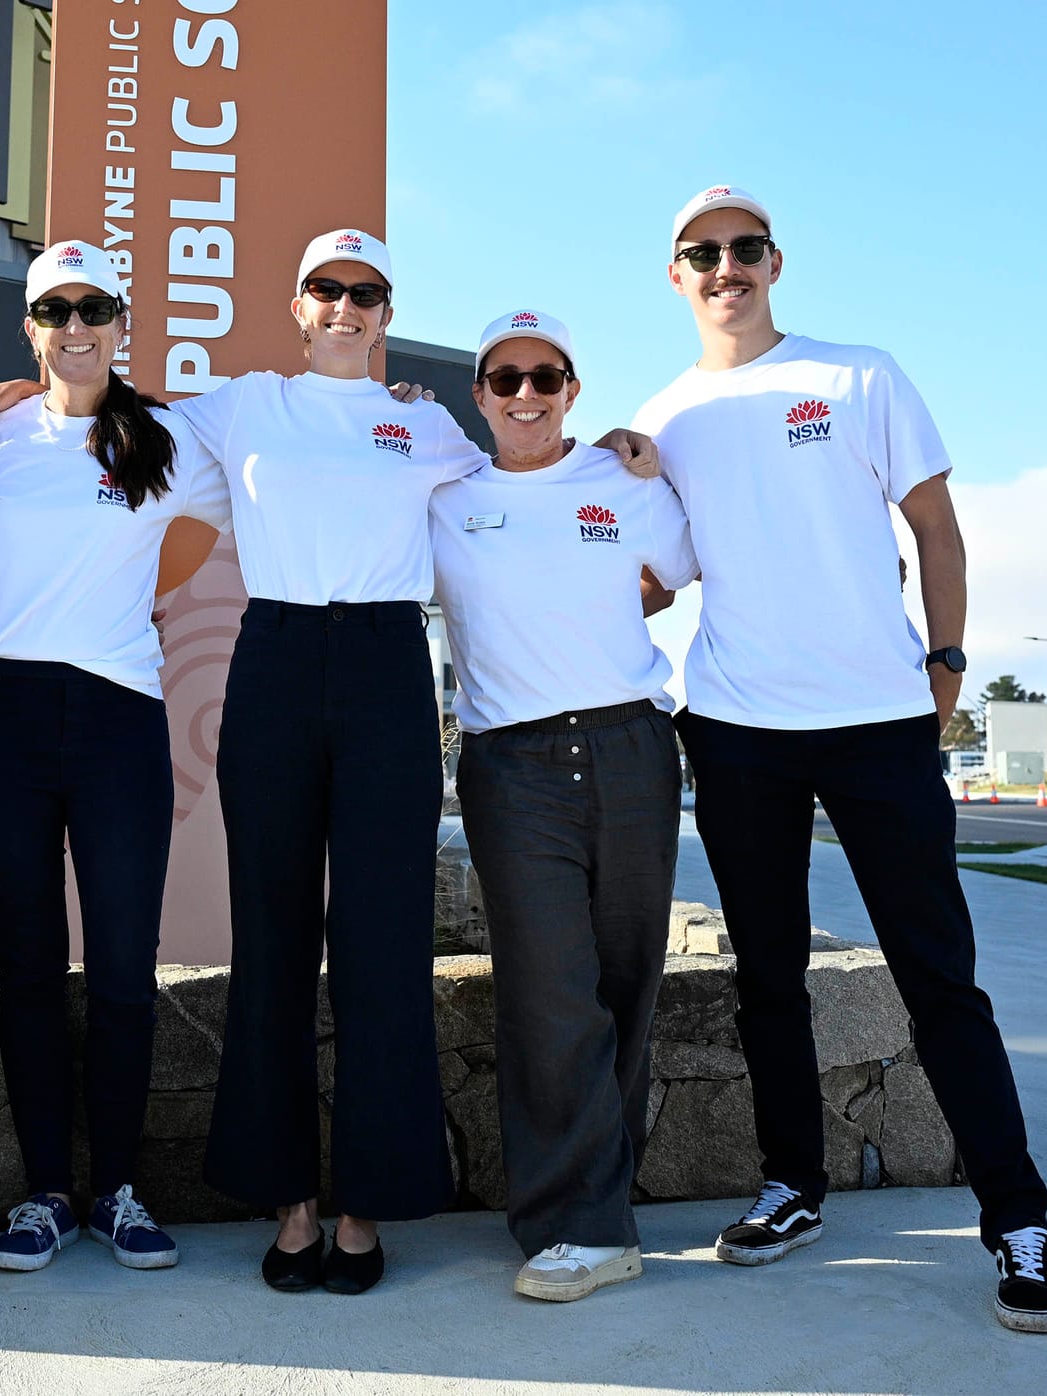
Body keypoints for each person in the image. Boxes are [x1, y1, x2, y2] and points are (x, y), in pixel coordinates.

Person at [0, 230, 658, 1294]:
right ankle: (285, 1199)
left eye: (364, 293)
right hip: (275, 659)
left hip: (385, 666)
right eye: (324, 291)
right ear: (296, 306)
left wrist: (612, 447)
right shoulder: (240, 404)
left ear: (385, 313)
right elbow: (106, 399)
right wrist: (29, 382)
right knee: (273, 938)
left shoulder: (427, 428)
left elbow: (529, 464)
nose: (344, 307)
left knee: (383, 943)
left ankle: (362, 1206)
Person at [633, 185, 1047, 1334]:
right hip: (732, 734)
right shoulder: (663, 417)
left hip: (880, 726)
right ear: (672, 275)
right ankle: (793, 1186)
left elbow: (934, 522)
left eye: (742, 248)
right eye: (701, 252)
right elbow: (645, 575)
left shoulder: (857, 375)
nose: (723, 266)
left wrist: (944, 663)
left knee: (939, 977)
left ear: (772, 262)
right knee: (765, 976)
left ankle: (1017, 1220)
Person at [0, 241, 230, 1273]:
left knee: (121, 970)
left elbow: (218, 515)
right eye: (54, 311)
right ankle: (42, 1197)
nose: (75, 327)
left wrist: (144, 594)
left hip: (119, 716)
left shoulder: (163, 438)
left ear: (122, 322)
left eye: (94, 308)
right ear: (29, 326)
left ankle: (116, 1188)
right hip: (2, 720)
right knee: (28, 968)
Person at [430, 310, 696, 1302]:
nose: (526, 396)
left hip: (630, 745)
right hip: (514, 762)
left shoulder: (621, 481)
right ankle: (580, 1222)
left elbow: (678, 576)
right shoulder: (444, 494)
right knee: (549, 986)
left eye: (546, 378)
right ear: (479, 394)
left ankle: (595, 1207)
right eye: (505, 379)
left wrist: (646, 454)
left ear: (571, 390)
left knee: (624, 981)